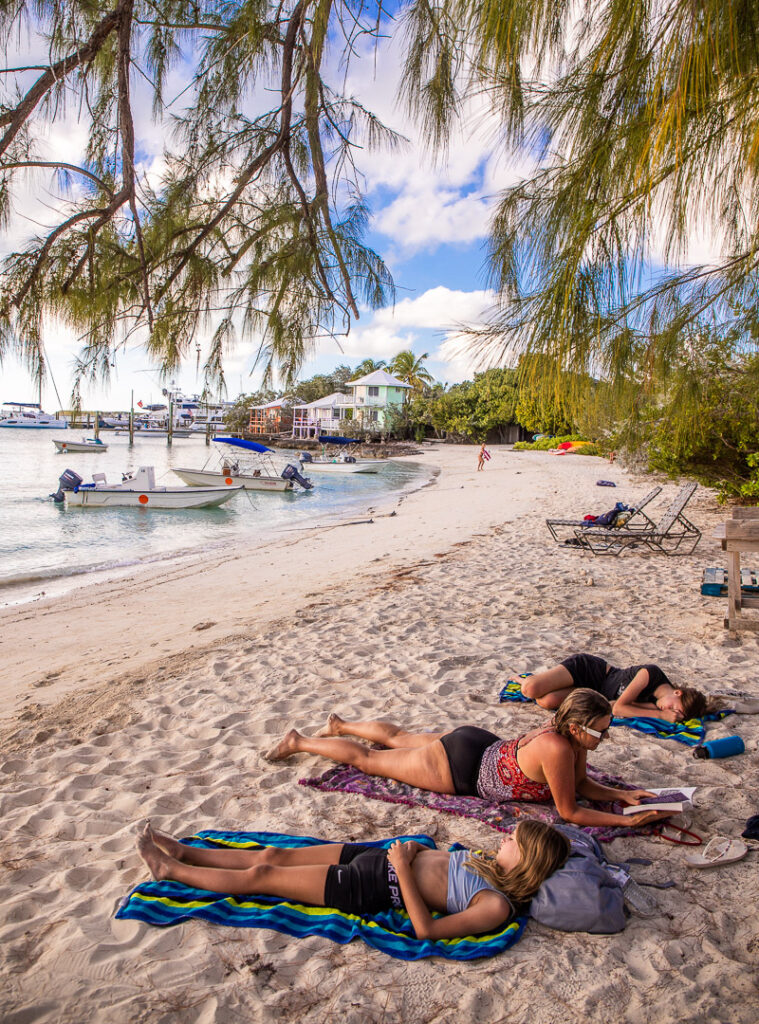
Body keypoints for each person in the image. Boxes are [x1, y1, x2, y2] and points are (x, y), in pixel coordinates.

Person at [266, 689, 669, 829]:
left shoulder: (569, 738)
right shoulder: (559, 748)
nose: (607, 734)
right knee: (369, 761)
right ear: (579, 726)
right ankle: (299, 742)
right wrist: (623, 819)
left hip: (477, 743)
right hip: (461, 768)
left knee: (399, 737)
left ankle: (340, 724)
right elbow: (570, 811)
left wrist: (623, 796)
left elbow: (582, 786)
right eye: (602, 729)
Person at [136, 818, 570, 941]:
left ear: (527, 861)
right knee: (274, 854)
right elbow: (441, 864)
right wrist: (413, 850)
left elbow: (427, 930)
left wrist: (402, 868)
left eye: (512, 841)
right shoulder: (489, 863)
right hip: (377, 857)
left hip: (371, 887)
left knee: (261, 875)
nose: (503, 840)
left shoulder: (496, 906)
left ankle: (171, 870)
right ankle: (185, 851)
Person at [519, 653, 720, 722]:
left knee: (546, 701)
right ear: (677, 692)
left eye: (676, 714)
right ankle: (526, 679)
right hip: (590, 671)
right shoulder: (651, 673)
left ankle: (550, 682)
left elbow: (616, 705)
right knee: (530, 689)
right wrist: (660, 716)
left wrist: (656, 711)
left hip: (592, 694)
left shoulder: (656, 704)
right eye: (674, 707)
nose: (670, 712)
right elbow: (618, 708)